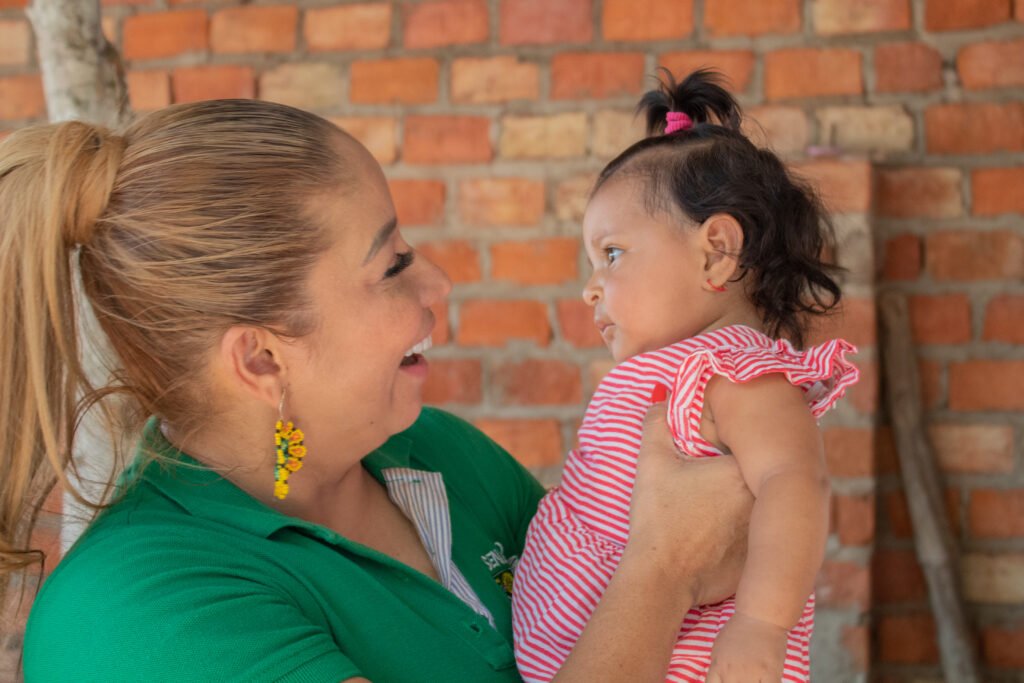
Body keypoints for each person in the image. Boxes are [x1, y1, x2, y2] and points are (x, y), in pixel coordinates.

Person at [0, 99, 753, 682]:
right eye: (391, 266)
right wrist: (663, 564)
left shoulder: (442, 454)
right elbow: (652, 589)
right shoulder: (139, 613)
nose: (438, 284)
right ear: (261, 358)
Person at [511, 70, 860, 683]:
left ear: (715, 252)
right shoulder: (675, 368)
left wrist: (760, 623)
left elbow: (796, 484)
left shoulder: (735, 369)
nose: (590, 286)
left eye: (612, 255)